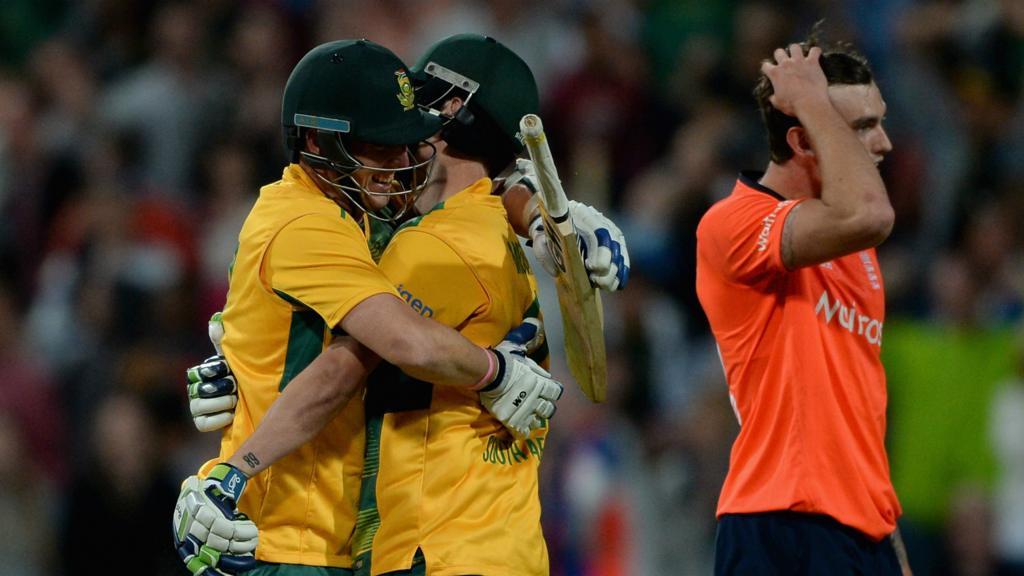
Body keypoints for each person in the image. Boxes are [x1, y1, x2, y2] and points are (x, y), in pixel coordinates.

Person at [171, 39, 565, 576]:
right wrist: (493, 370)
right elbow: (396, 345)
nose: (400, 162)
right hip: (284, 541)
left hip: (331, 542)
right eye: (380, 145)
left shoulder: (360, 217)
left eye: (405, 143)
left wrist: (541, 209)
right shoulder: (308, 224)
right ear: (317, 140)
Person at [694, 33, 912, 575]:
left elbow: (855, 420)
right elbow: (870, 214)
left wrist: (893, 549)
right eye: (862, 127)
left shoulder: (857, 254)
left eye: (879, 120)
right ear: (802, 139)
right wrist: (813, 99)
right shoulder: (732, 224)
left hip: (866, 536)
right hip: (781, 523)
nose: (884, 143)